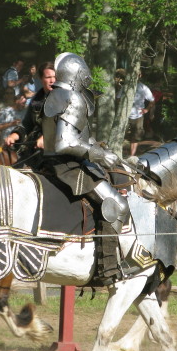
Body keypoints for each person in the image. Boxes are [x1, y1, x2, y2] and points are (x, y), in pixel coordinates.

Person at [39, 52, 128, 285]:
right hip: (68, 166)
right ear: (79, 74)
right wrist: (98, 155)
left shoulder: (54, 95)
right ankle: (108, 268)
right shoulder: (72, 98)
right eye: (86, 75)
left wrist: (103, 151)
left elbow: (76, 138)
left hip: (47, 160)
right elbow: (65, 143)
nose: (88, 80)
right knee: (118, 205)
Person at [4, 61, 56, 167]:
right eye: (48, 77)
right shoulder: (37, 99)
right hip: (33, 149)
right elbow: (27, 124)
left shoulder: (64, 98)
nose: (52, 81)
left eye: (54, 77)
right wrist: (15, 135)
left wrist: (47, 138)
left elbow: (66, 126)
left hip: (56, 151)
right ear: (41, 79)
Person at [123, 71, 155, 157]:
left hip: (138, 115)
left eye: (138, 75)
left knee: (136, 136)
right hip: (125, 115)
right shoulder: (126, 86)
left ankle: (132, 155)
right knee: (122, 134)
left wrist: (147, 110)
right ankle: (123, 153)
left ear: (140, 76)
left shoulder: (143, 88)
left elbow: (152, 100)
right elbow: (118, 98)